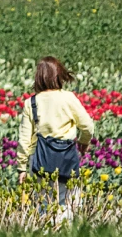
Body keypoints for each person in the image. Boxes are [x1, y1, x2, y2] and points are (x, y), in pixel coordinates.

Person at [17, 56, 96, 216]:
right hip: (66, 158)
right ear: (59, 75)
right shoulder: (68, 98)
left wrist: (21, 168)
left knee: (43, 205)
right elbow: (87, 126)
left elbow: (24, 139)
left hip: (39, 161)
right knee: (68, 204)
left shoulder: (31, 102)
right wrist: (83, 142)